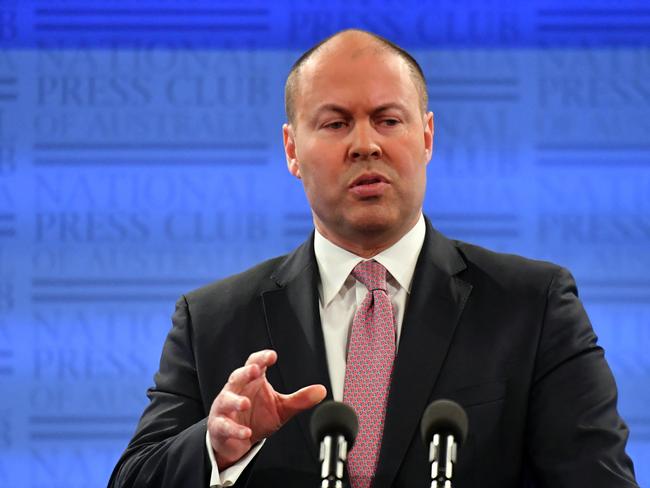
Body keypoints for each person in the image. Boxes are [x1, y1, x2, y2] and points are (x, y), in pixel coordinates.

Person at [108, 29, 639, 488]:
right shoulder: (214, 321)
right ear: (292, 150)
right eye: (336, 124)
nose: (366, 145)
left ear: (426, 135)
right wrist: (217, 447)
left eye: (387, 120)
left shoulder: (533, 306)